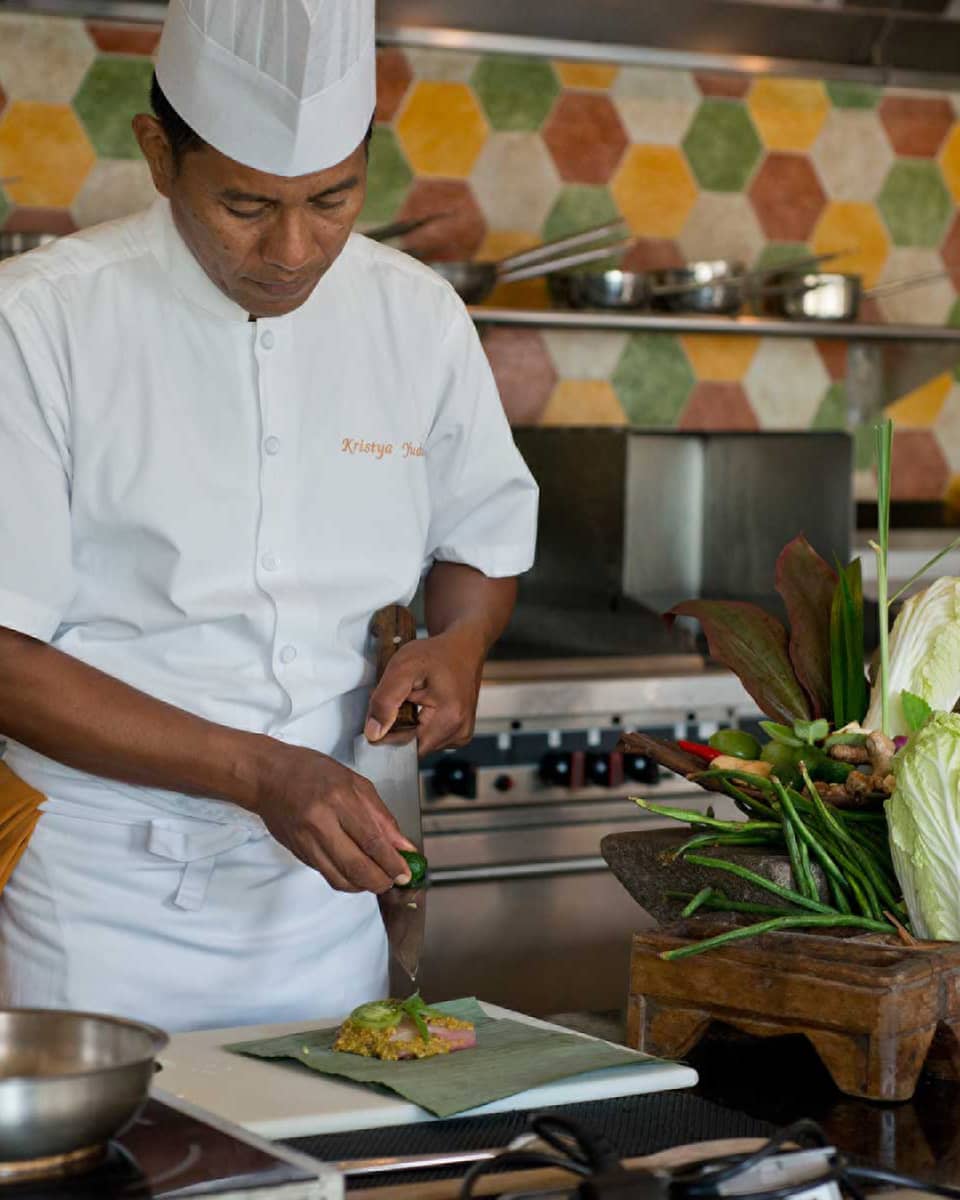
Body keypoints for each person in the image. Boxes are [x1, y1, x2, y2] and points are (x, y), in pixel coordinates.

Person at [0, 0, 537, 1032]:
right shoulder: (39, 325)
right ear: (160, 155)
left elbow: (480, 537)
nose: (294, 248)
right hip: (97, 900)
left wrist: (465, 638)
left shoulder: (416, 316)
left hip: (322, 891)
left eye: (333, 199)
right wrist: (257, 772)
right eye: (245, 205)